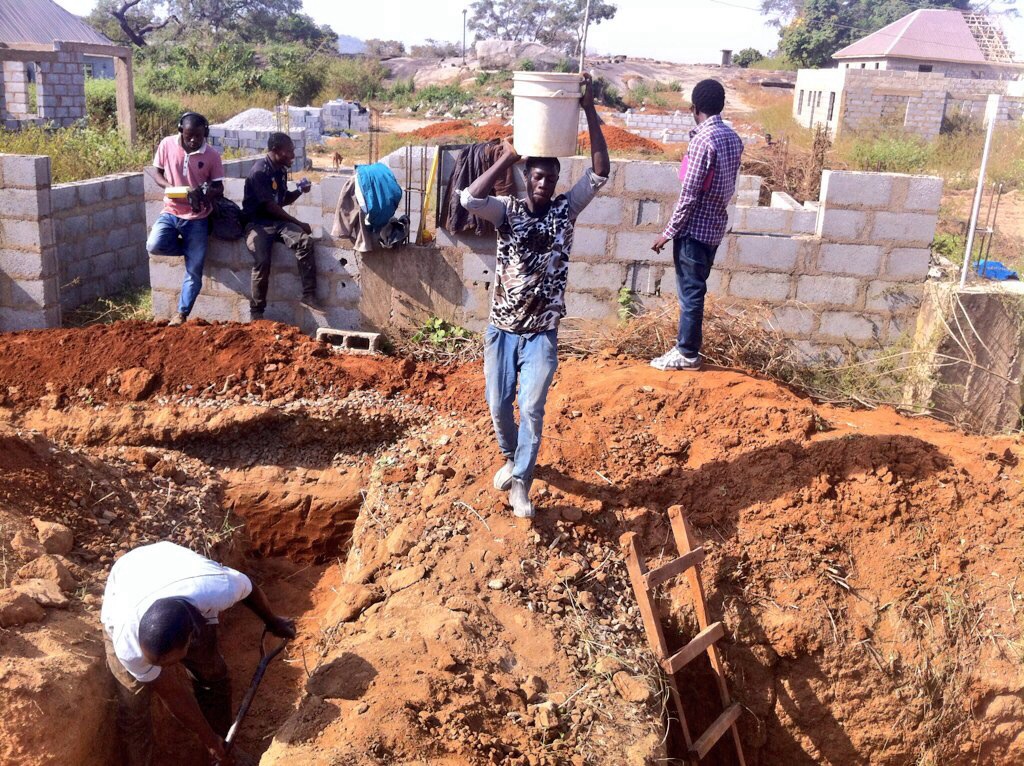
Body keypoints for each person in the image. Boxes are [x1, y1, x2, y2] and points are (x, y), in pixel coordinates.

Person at [460, 74, 609, 520]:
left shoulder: (567, 210)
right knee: (497, 405)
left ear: (558, 180)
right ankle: (511, 458)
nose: (544, 184)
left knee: (532, 406)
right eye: (537, 176)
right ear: (527, 177)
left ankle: (522, 480)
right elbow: (468, 199)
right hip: (502, 331)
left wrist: (587, 110)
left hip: (542, 332)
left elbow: (600, 172)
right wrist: (505, 158)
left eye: (551, 178)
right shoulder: (507, 211)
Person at [101, 541, 296, 766]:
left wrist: (272, 621)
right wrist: (208, 739)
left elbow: (249, 588)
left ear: (193, 635)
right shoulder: (127, 644)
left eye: (170, 662)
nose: (166, 670)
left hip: (177, 569)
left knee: (212, 673)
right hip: (129, 575)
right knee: (133, 706)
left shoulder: (219, 588)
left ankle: (225, 746)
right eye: (157, 663)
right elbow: (173, 693)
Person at [650, 79, 744, 371]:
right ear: (721, 106)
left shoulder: (703, 141)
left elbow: (689, 194)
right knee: (696, 290)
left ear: (694, 109)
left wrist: (668, 233)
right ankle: (685, 347)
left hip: (694, 229)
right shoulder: (733, 138)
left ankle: (687, 353)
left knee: (690, 293)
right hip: (715, 226)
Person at [147, 112, 225, 327]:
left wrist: (203, 193)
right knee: (154, 244)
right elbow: (156, 173)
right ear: (181, 130)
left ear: (205, 133)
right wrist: (172, 188)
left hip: (197, 217)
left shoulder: (212, 155)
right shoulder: (166, 144)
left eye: (198, 136)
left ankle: (181, 314)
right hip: (171, 210)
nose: (193, 141)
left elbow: (219, 187)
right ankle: (190, 250)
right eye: (189, 135)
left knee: (194, 271)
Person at [242, 133, 318, 321]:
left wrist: (300, 191)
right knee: (262, 261)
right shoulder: (259, 171)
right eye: (289, 151)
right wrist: (298, 223)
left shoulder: (280, 170)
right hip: (258, 223)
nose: (293, 155)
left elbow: (281, 200)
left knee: (304, 242)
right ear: (276, 150)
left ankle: (309, 295)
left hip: (276, 221)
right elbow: (269, 206)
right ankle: (257, 312)